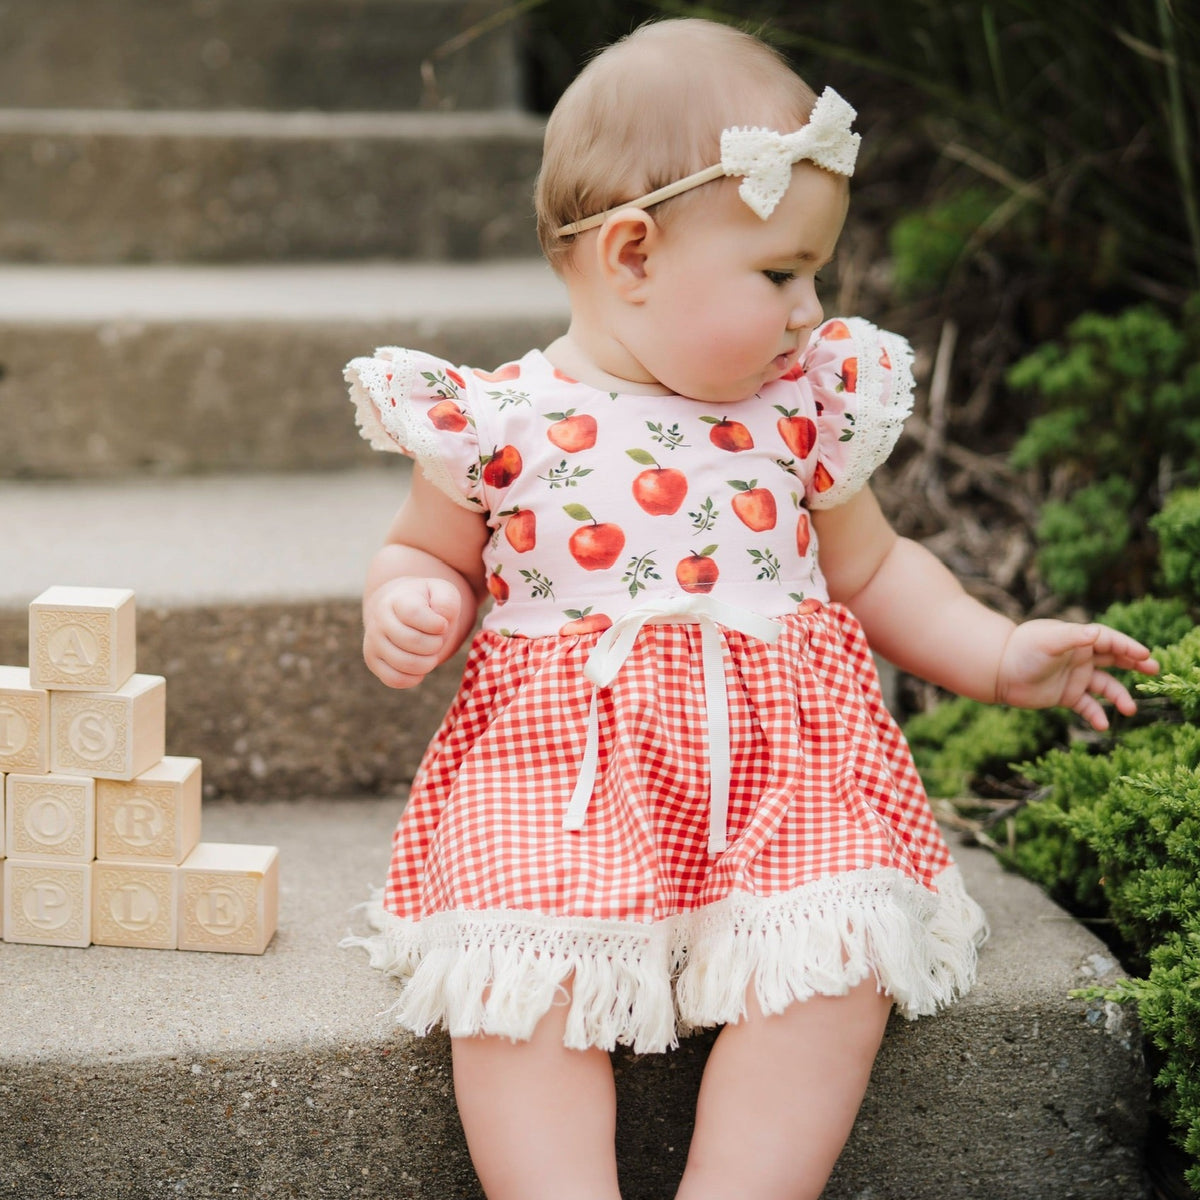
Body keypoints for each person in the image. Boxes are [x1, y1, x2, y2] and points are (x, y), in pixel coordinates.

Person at [342, 18, 1158, 1200]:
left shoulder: (798, 411)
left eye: (812, 273)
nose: (808, 308)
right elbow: (427, 554)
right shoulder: (494, 420)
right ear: (631, 254)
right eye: (781, 272)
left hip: (783, 777)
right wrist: (410, 597)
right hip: (561, 781)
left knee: (833, 971)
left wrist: (997, 652)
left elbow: (874, 572)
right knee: (522, 993)